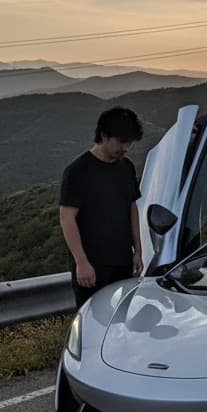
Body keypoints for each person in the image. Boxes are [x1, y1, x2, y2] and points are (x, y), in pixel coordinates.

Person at [59, 106, 144, 307]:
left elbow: (132, 208)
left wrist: (138, 252)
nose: (126, 148)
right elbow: (66, 219)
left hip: (124, 263)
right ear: (104, 136)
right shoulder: (78, 171)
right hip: (93, 267)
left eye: (129, 142)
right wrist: (81, 262)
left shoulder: (127, 167)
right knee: (93, 322)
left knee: (123, 320)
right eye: (122, 141)